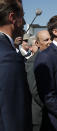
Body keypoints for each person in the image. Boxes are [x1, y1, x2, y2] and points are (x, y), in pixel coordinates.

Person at [0, 1, 32, 131]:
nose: (24, 22)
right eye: (22, 16)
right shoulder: (9, 56)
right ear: (12, 18)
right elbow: (12, 112)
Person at [25, 36, 43, 131]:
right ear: (37, 44)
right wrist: (50, 105)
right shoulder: (31, 62)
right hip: (39, 115)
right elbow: (34, 90)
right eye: (46, 40)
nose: (49, 43)